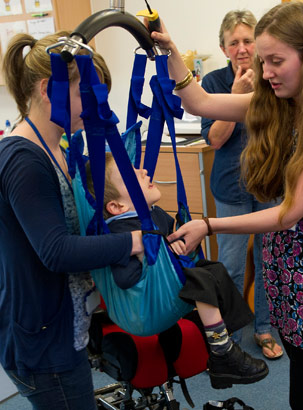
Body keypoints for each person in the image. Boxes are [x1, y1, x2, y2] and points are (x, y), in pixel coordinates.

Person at [148, 3, 303, 409]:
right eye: (264, 61)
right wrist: (170, 51)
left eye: (276, 60)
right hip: (290, 263)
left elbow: (290, 212)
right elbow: (197, 103)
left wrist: (209, 225)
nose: (265, 72)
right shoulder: (285, 102)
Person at [0, 32, 144, 410]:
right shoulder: (24, 159)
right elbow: (56, 251)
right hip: (45, 344)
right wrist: (134, 241)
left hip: (63, 328)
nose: (98, 107)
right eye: (89, 95)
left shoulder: (58, 148)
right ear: (50, 89)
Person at [85, 152, 269, 389]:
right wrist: (150, 255)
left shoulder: (154, 214)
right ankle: (222, 351)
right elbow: (124, 278)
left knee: (213, 269)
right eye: (132, 175)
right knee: (202, 278)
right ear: (117, 206)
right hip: (145, 306)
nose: (143, 171)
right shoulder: (120, 233)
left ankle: (224, 337)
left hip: (168, 291)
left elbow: (171, 240)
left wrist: (178, 246)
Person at [201, 9, 282, 359]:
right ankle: (230, 336)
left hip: (269, 185)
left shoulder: (272, 76)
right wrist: (235, 94)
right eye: (234, 42)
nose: (242, 48)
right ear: (224, 49)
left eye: (248, 40)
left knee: (268, 262)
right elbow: (215, 140)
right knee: (232, 266)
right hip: (231, 189)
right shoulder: (214, 84)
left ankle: (263, 329)